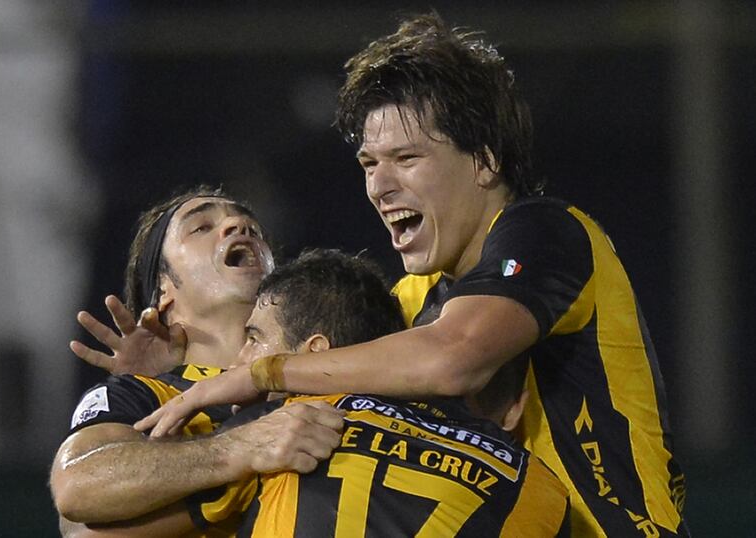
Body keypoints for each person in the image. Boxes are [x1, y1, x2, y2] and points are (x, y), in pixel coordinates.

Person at [139, 14, 687, 537]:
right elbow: (303, 355)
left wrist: (264, 375)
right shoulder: (411, 300)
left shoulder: (548, 234)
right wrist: (174, 370)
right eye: (370, 164)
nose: (380, 187)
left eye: (406, 158)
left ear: (484, 161)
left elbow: (454, 359)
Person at [60, 249, 571, 537]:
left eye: (254, 339)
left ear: (313, 351)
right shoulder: (534, 482)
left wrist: (235, 447)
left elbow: (84, 525)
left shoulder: (289, 432)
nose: (242, 361)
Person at [51, 186, 344, 536]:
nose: (240, 225)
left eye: (253, 226)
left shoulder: (335, 363)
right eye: (201, 227)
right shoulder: (142, 395)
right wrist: (243, 448)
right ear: (163, 292)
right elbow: (79, 493)